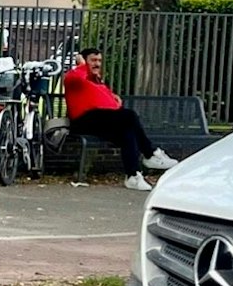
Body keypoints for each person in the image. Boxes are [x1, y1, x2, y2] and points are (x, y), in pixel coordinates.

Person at [61, 47, 179, 191]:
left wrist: (113, 99)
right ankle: (150, 153)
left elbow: (104, 99)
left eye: (99, 61)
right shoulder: (74, 76)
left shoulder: (97, 80)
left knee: (127, 133)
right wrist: (81, 65)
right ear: (84, 60)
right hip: (83, 120)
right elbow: (77, 79)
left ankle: (133, 176)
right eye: (93, 60)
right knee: (129, 116)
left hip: (101, 120)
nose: (97, 64)